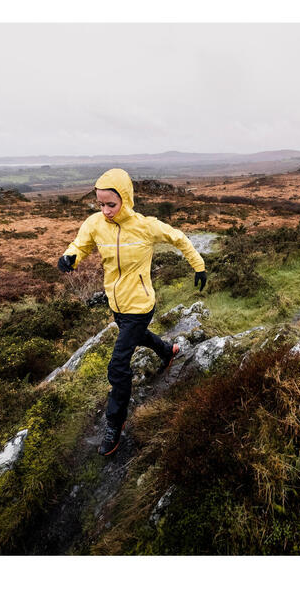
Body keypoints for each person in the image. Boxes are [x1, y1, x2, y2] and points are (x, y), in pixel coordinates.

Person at [57, 168, 207, 456]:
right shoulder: (95, 224)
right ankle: (167, 351)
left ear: (125, 199)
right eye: (100, 204)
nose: (105, 210)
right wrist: (69, 258)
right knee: (136, 337)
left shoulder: (145, 226)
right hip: (117, 305)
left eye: (111, 204)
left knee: (118, 365)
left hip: (140, 305)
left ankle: (115, 422)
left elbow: (178, 238)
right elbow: (81, 244)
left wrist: (198, 265)